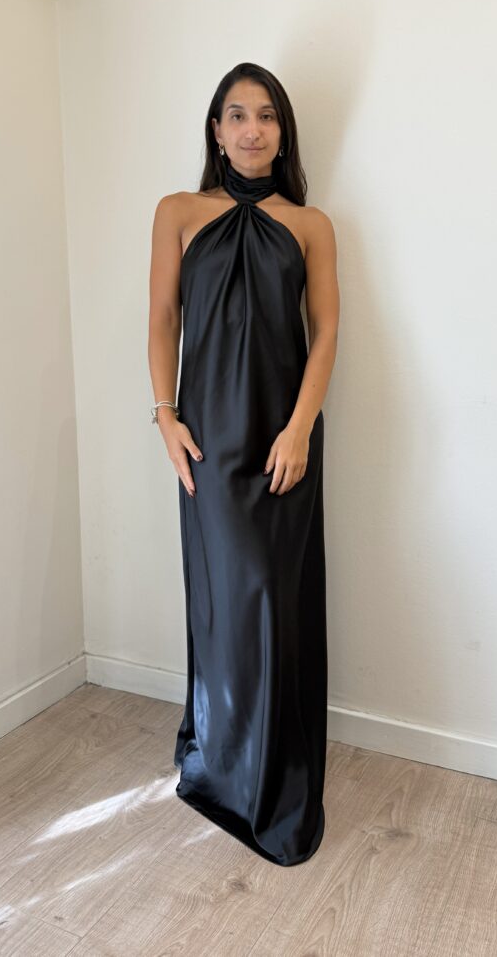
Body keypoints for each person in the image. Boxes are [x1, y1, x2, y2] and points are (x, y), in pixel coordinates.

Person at [147, 62, 340, 866]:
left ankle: (271, 770)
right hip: (207, 438)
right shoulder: (178, 211)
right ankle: (223, 757)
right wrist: (164, 415)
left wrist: (300, 428)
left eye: (266, 115)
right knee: (225, 600)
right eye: (236, 114)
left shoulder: (311, 224)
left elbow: (325, 334)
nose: (251, 128)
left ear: (282, 132)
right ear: (216, 130)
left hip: (281, 438)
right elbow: (162, 316)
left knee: (272, 600)